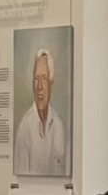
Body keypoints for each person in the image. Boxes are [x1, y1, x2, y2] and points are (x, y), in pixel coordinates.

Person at [14, 48, 69, 176]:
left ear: (51, 84)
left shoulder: (59, 126)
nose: (39, 87)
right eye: (36, 79)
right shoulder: (24, 129)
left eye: (44, 79)